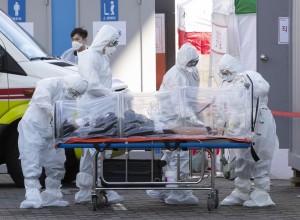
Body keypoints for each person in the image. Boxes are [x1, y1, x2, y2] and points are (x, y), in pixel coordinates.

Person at [18, 74, 88, 209]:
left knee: (56, 161)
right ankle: (32, 195)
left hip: (52, 131)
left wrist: (74, 124)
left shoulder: (71, 97)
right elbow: (41, 101)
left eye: (76, 94)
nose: (72, 95)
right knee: (31, 159)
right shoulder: (49, 83)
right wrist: (55, 114)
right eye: (72, 91)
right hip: (34, 126)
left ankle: (53, 195)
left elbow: (66, 118)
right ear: (68, 84)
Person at [217, 54, 279, 207]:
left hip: (259, 123)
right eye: (222, 72)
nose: (225, 75)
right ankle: (241, 191)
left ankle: (261, 195)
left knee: (259, 158)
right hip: (242, 127)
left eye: (227, 71)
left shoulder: (250, 77)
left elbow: (264, 88)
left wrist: (248, 82)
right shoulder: (227, 84)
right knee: (242, 158)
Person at [74, 24, 124, 205]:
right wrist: (112, 94)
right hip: (92, 110)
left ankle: (101, 187)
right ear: (104, 41)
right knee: (92, 152)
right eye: (112, 42)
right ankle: (91, 189)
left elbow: (103, 83)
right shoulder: (90, 57)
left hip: (103, 110)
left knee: (103, 151)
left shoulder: (102, 57)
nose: (113, 46)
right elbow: (93, 85)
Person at [147, 42, 201, 205]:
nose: (192, 65)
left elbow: (192, 98)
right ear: (182, 60)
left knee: (172, 156)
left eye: (194, 62)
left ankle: (169, 186)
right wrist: (194, 120)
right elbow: (179, 105)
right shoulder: (174, 75)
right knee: (179, 156)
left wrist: (197, 117)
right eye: (190, 63)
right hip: (171, 121)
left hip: (180, 121)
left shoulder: (191, 72)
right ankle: (178, 191)